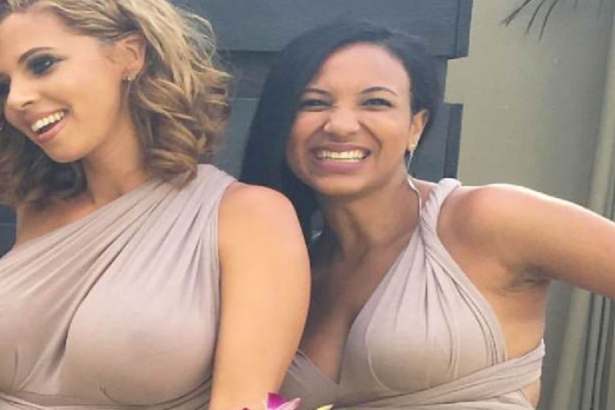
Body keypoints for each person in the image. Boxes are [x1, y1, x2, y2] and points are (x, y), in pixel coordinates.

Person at [240, 20, 615, 410]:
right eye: (313, 103)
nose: (340, 125)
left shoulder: (486, 218)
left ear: (415, 127)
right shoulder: (290, 270)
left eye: (375, 102)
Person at [0, 1, 310, 409]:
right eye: (4, 86)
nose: (16, 100)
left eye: (42, 65)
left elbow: (242, 402)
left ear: (129, 55)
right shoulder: (36, 209)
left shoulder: (249, 217)